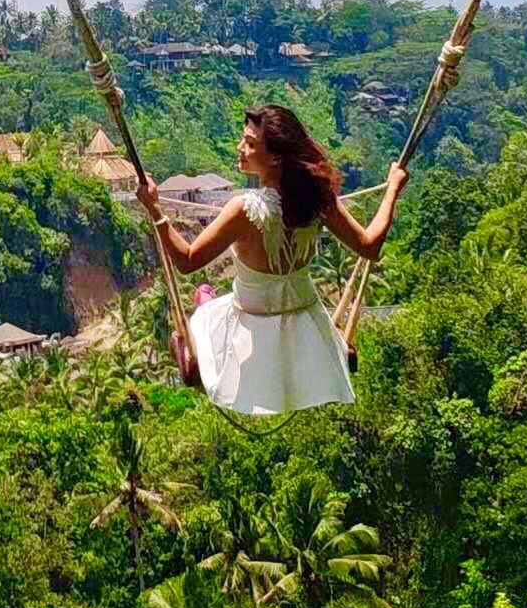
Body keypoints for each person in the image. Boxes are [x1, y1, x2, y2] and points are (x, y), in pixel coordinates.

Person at [135, 103, 409, 417]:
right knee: (211, 309)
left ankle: (197, 336)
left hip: (251, 319)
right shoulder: (318, 199)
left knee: (199, 326)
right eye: (243, 139)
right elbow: (370, 246)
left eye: (250, 144)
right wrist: (393, 191)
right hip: (306, 321)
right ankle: (207, 306)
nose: (240, 148)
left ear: (276, 157)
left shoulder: (245, 209)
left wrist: (154, 209)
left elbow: (186, 260)